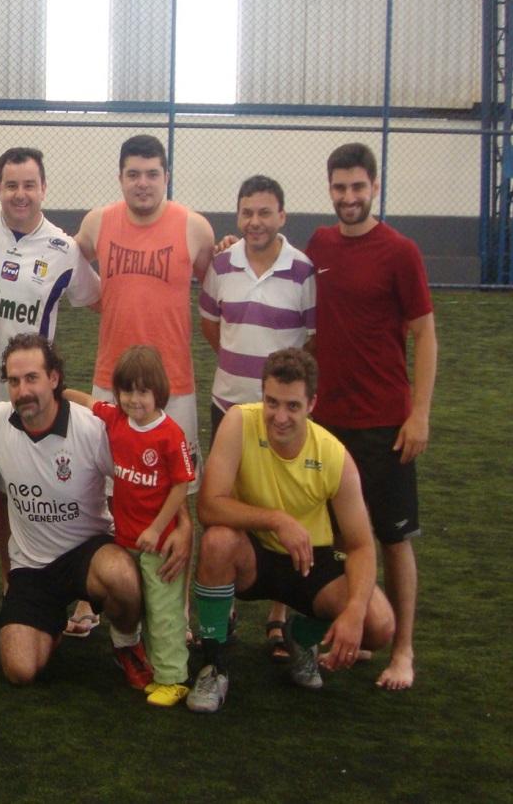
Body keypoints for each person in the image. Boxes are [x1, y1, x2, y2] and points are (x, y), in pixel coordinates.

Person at [188, 348, 396, 713]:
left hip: (309, 564)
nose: (280, 417)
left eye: (293, 406)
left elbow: (362, 546)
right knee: (217, 541)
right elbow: (208, 506)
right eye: (272, 402)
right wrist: (277, 520)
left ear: (312, 404)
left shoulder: (334, 455)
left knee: (378, 625)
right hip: (254, 557)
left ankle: (301, 636)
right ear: (262, 395)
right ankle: (213, 666)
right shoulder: (239, 423)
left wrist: (353, 611)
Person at [0, 148, 100, 612]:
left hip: (27, 402)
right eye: (11, 185)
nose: (20, 194)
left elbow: (99, 298)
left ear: (44, 188)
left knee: (16, 502)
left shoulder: (64, 250)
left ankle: (17, 588)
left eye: (29, 185)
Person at [305, 142, 436, 691]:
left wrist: (419, 414)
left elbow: (425, 334)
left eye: (358, 186)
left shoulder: (400, 251)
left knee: (391, 537)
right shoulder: (319, 243)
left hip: (384, 423)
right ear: (330, 188)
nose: (349, 196)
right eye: (340, 187)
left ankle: (402, 650)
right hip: (327, 424)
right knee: (334, 536)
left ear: (375, 187)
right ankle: (343, 630)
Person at [71, 134, 214, 637]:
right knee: (98, 489)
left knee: (177, 492)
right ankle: (92, 595)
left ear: (166, 176)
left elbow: (216, 284)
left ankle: (178, 606)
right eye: (133, 174)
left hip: (175, 387)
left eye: (152, 173)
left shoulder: (194, 227)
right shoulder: (98, 223)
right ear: (120, 178)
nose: (143, 183)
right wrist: (103, 301)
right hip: (111, 383)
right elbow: (68, 260)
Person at [0, 334, 151, 689]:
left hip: (88, 553)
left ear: (54, 378)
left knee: (122, 578)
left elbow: (143, 479)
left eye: (32, 378)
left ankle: (127, 644)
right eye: (14, 381)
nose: (22, 391)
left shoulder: (89, 428)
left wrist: (177, 526)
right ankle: (50, 626)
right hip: (31, 567)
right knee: (19, 670)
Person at [199, 174, 316, 658]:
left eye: (265, 212)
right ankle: (222, 609)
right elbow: (211, 325)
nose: (255, 221)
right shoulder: (222, 264)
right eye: (247, 212)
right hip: (229, 409)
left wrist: (281, 397)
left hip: (282, 418)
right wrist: (241, 371)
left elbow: (311, 341)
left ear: (282, 216)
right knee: (224, 507)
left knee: (287, 508)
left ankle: (278, 614)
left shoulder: (303, 271)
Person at [63, 345, 194, 706]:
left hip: (158, 545)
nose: (134, 400)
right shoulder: (117, 419)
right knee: (141, 606)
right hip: (125, 540)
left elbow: (181, 486)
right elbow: (89, 403)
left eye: (143, 391)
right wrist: (58, 392)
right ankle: (146, 664)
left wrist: (158, 528)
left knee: (164, 613)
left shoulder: (170, 435)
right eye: (127, 391)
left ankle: (174, 679)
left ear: (159, 392)